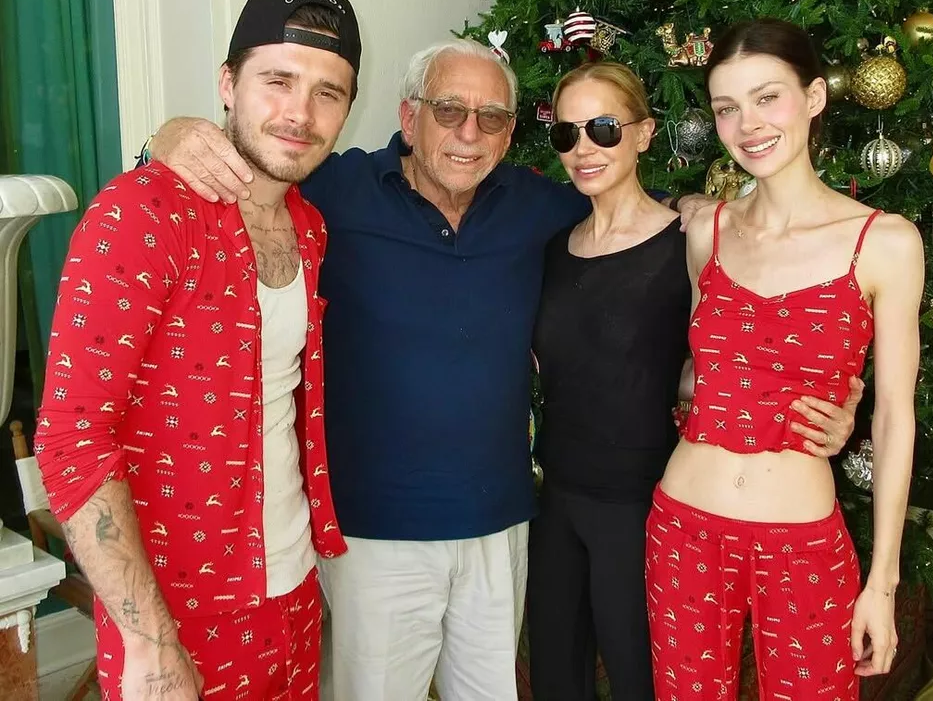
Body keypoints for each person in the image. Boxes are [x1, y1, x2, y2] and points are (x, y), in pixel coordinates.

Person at [146, 39, 858, 701]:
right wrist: (168, 137)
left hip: (505, 523)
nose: (469, 133)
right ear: (408, 117)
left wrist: (818, 397)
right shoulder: (336, 188)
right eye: (448, 110)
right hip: (374, 531)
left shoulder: (540, 209)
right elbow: (251, 166)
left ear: (511, 133)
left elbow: (658, 257)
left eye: (492, 117)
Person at [34, 0, 361, 700]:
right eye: (278, 81)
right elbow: (71, 438)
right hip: (175, 610)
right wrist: (149, 641)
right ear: (227, 84)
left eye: (328, 93)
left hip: (294, 588)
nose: (300, 113)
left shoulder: (311, 227)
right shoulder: (141, 213)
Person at [528, 62, 863, 701]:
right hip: (556, 502)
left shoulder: (690, 241)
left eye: (603, 128)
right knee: (556, 681)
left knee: (642, 682)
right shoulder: (552, 249)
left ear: (644, 133)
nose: (584, 148)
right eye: (566, 134)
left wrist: (829, 406)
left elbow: (739, 359)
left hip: (643, 503)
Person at [646, 18, 922, 701]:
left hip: (802, 542)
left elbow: (895, 417)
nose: (748, 125)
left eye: (767, 97)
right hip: (684, 528)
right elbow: (702, 375)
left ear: (815, 96)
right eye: (727, 107)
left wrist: (882, 583)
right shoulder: (708, 231)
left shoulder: (884, 242)